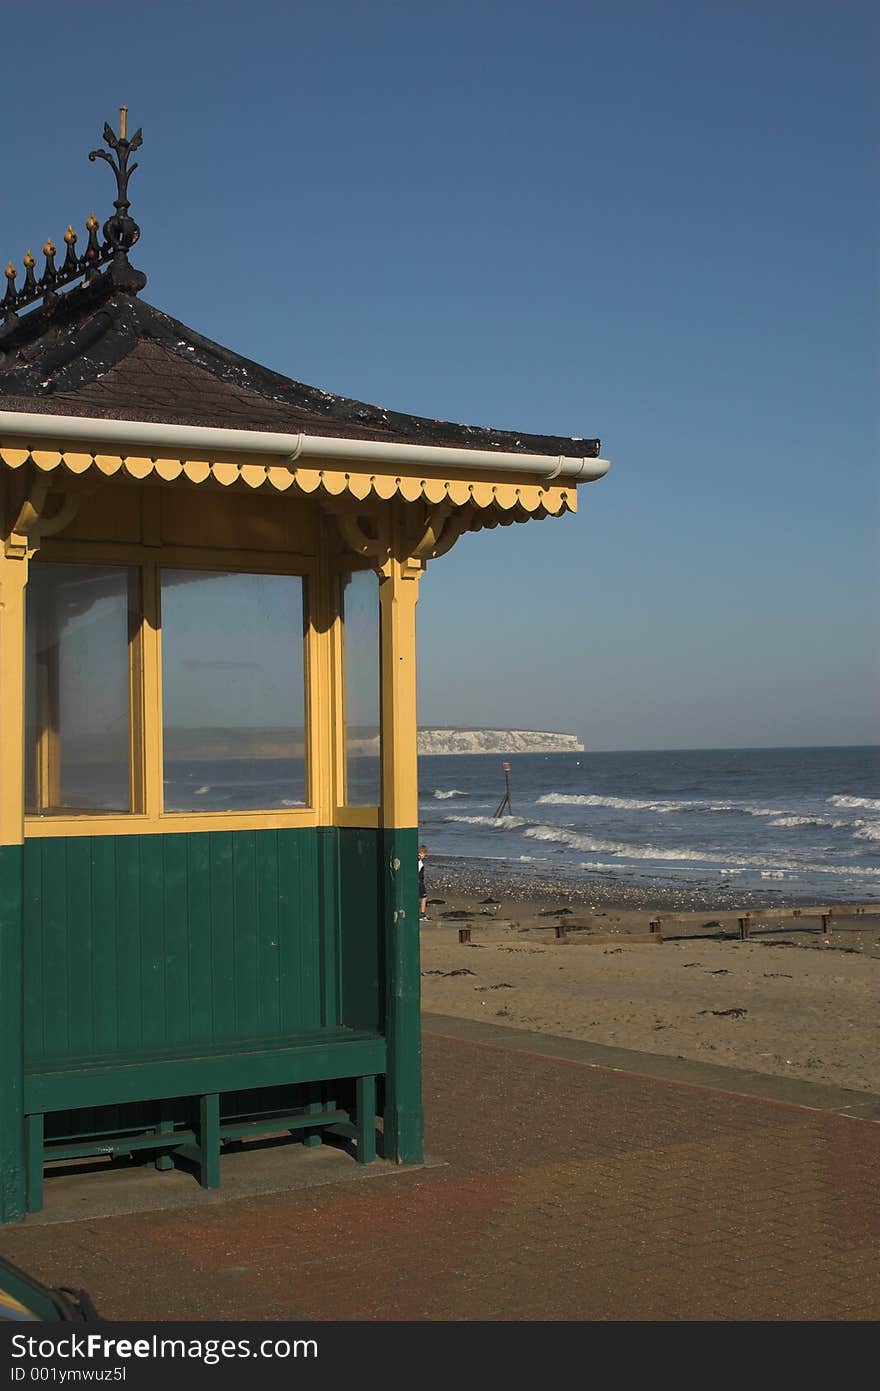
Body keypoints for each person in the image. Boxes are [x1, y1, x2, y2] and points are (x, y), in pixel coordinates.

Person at [418, 844, 428, 921]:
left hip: (418, 881)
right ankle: (422, 914)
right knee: (424, 897)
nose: (425, 856)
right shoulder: (419, 862)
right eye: (425, 854)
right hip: (419, 881)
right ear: (421, 853)